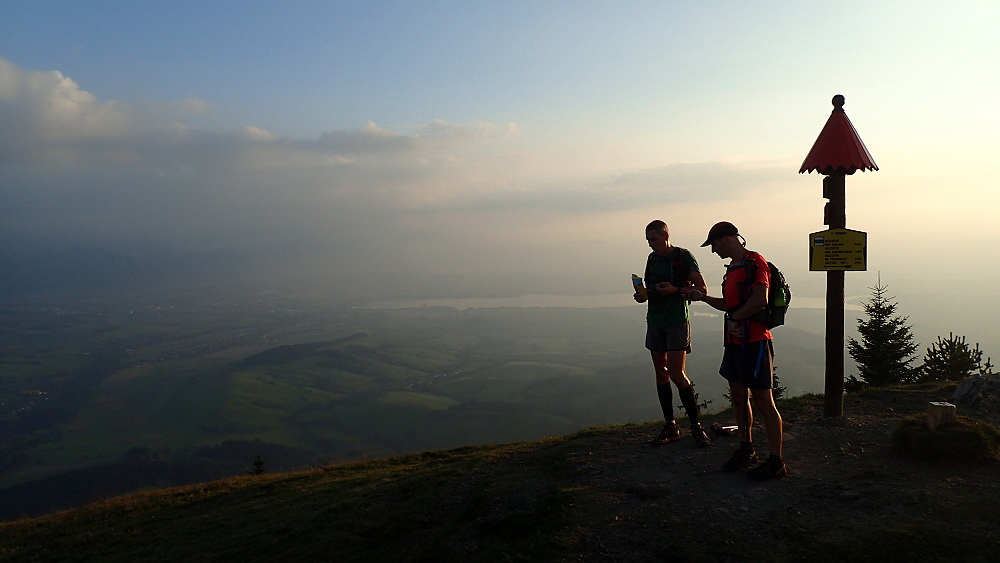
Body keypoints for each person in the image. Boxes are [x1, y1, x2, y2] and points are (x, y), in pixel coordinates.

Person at [685, 221, 787, 479]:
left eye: (715, 244)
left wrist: (735, 319)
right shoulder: (733, 268)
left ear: (728, 238)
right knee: (739, 396)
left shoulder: (756, 263)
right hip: (735, 342)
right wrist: (703, 297)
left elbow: (760, 299)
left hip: (756, 341)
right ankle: (746, 447)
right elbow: (729, 304)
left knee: (764, 400)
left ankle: (776, 461)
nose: (713, 250)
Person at [633, 220, 713, 447]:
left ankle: (696, 426)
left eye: (654, 239)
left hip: (677, 321)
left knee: (677, 374)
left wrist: (676, 290)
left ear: (666, 236)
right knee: (661, 373)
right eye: (648, 240)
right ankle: (671, 425)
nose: (650, 244)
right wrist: (644, 294)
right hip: (655, 320)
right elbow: (653, 289)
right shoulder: (652, 259)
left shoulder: (683, 257)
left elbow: (702, 290)